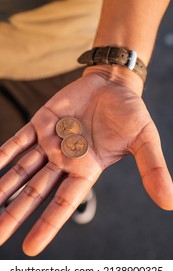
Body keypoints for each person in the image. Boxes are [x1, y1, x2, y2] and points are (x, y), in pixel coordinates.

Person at [0, 0, 172, 257]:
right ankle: (28, 186)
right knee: (15, 141)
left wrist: (114, 71)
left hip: (64, 49)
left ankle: (74, 187)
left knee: (62, 141)